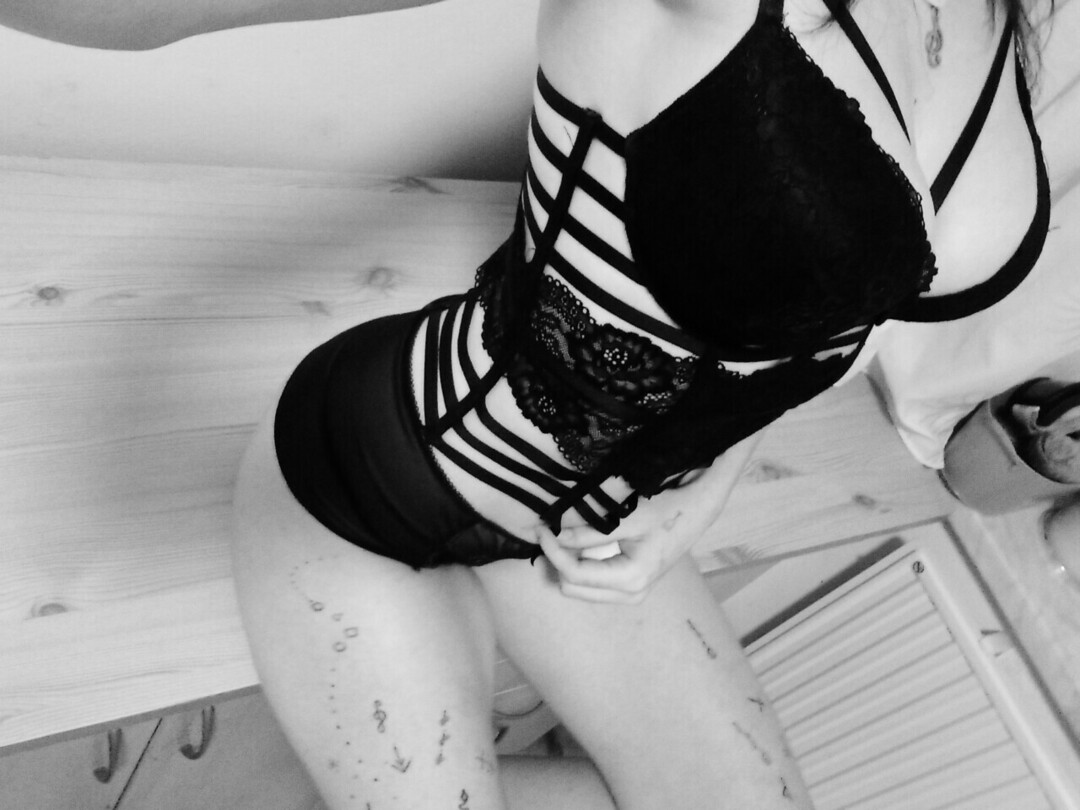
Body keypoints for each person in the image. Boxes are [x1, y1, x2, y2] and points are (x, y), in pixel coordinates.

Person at [1, 0, 1052, 807]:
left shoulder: (1014, 23)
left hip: (600, 523)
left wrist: (707, 490)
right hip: (389, 477)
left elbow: (840, 309)